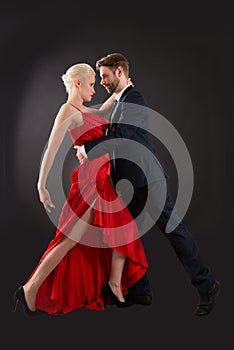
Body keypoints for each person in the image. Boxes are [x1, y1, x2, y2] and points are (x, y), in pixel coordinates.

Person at [77, 52, 220, 316]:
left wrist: (87, 148)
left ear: (120, 72)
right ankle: (139, 291)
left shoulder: (135, 99)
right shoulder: (120, 100)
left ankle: (207, 285)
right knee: (124, 236)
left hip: (147, 180)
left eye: (106, 77)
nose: (103, 83)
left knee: (175, 232)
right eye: (101, 78)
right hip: (128, 182)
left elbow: (124, 136)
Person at [13, 62, 149, 316]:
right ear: (78, 83)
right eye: (91, 84)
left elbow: (106, 107)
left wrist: (123, 88)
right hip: (91, 185)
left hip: (101, 180)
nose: (94, 89)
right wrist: (41, 185)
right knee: (71, 240)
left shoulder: (84, 109)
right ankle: (30, 289)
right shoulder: (67, 111)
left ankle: (111, 283)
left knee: (85, 238)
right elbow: (51, 149)